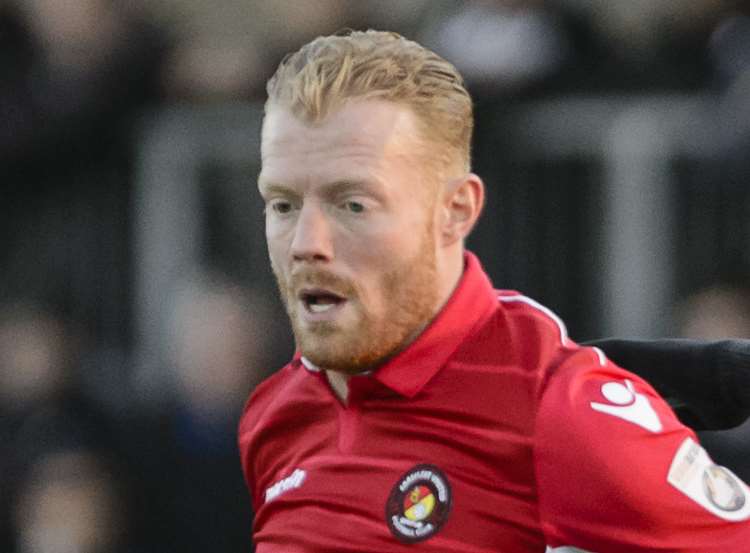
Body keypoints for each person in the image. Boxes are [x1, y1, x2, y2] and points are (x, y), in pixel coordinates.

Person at [238, 29, 750, 552]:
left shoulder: (562, 410)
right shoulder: (275, 413)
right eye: (283, 205)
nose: (306, 243)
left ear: (455, 212)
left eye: (353, 205)